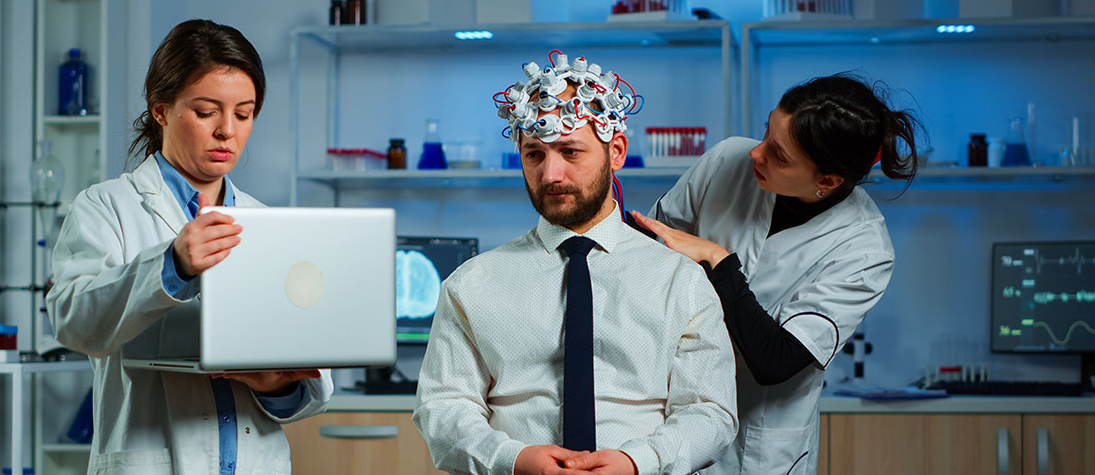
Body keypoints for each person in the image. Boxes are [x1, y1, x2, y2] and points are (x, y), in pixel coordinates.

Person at [413, 51, 738, 475]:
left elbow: (710, 411)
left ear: (616, 151)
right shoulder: (472, 284)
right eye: (534, 154)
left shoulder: (680, 281)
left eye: (570, 151)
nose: (550, 174)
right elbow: (442, 407)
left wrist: (636, 462)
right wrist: (514, 459)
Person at [47, 19, 333, 474]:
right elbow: (73, 322)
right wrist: (171, 265)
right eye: (206, 112)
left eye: (244, 113)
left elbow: (313, 392)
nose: (227, 131)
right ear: (161, 110)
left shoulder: (268, 221)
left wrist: (274, 386)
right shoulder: (108, 207)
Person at [630, 73, 923, 474]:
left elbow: (776, 360)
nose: (756, 154)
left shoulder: (863, 248)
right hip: (670, 417)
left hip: (757, 443)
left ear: (827, 181)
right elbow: (647, 251)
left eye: (779, 155)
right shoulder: (727, 160)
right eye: (766, 132)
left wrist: (718, 261)